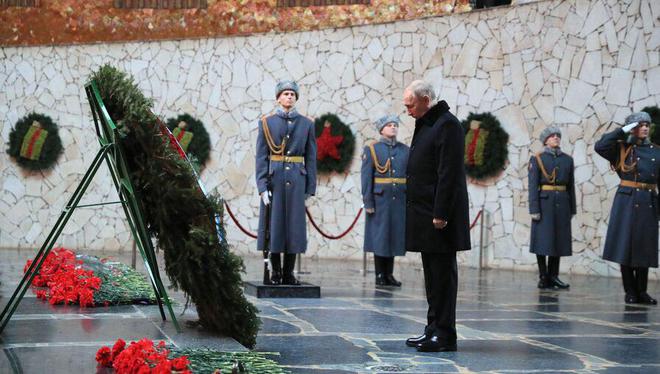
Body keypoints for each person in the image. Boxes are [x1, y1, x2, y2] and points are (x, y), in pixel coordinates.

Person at [402, 80, 471, 352]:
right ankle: (432, 328)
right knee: (432, 276)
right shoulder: (429, 123)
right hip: (425, 214)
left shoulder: (447, 125)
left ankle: (444, 335)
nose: (407, 110)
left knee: (442, 276)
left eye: (411, 105)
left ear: (426, 99)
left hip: (439, 217)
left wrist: (441, 212)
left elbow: (449, 173)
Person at [255, 80, 317, 285]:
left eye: (292, 94)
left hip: (297, 181)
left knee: (294, 227)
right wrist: (262, 186)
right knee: (275, 226)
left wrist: (310, 187)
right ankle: (275, 272)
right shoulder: (267, 123)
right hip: (275, 180)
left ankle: (289, 273)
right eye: (285, 94)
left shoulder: (307, 124)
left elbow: (311, 157)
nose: (289, 97)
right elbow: (261, 157)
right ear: (278, 98)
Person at [595, 112, 659, 305]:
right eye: (640, 125)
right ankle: (630, 291)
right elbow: (600, 146)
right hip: (627, 202)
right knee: (625, 246)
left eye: (647, 124)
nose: (645, 128)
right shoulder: (622, 149)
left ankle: (642, 291)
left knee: (644, 248)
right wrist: (622, 130)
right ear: (632, 128)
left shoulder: (656, 151)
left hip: (648, 201)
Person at [361, 115, 409, 287]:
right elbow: (366, 178)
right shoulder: (372, 149)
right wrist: (368, 202)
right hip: (380, 200)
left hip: (399, 200)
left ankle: (389, 274)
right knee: (380, 238)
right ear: (381, 129)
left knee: (394, 237)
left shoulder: (404, 150)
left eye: (395, 125)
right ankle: (380, 274)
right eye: (389, 125)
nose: (393, 128)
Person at [528, 126, 575, 290]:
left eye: (558, 135)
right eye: (552, 136)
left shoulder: (567, 160)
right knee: (542, 241)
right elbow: (533, 185)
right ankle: (543, 276)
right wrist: (534, 208)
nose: (556, 138)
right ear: (545, 140)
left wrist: (572, 208)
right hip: (544, 203)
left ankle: (553, 276)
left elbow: (571, 186)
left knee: (558, 241)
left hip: (562, 203)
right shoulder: (538, 158)